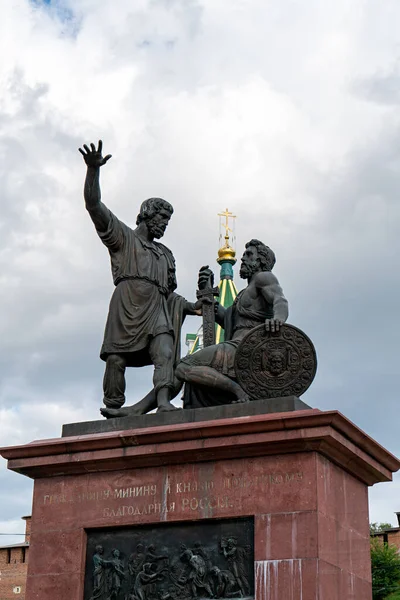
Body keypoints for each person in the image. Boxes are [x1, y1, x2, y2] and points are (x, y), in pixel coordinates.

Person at [79, 141, 202, 414]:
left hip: (157, 308)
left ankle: (162, 402)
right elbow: (93, 205)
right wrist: (93, 170)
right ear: (147, 215)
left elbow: (170, 295)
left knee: (165, 352)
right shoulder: (124, 238)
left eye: (167, 222)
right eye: (162, 219)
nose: (164, 225)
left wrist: (193, 307)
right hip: (126, 304)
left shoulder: (165, 254)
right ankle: (113, 407)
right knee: (116, 359)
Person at [176, 239, 289, 406]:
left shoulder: (264, 278)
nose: (243, 259)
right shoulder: (245, 292)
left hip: (244, 347)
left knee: (183, 367)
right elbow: (230, 320)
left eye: (249, 254)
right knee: (189, 375)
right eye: (243, 255)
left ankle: (237, 390)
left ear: (261, 261)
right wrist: (208, 295)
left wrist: (278, 319)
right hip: (235, 345)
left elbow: (280, 300)